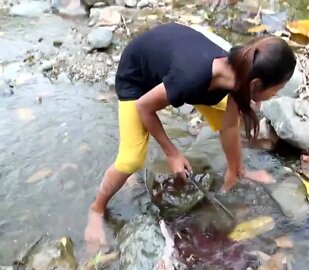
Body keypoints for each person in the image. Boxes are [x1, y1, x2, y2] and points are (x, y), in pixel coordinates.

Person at [84, 22, 296, 247]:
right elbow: (144, 107)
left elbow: (230, 127)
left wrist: (235, 170)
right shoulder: (192, 77)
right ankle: (96, 208)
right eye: (278, 89)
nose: (276, 95)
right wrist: (172, 153)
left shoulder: (239, 72)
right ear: (256, 84)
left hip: (172, 62)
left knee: (229, 116)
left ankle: (237, 171)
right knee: (131, 158)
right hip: (137, 79)